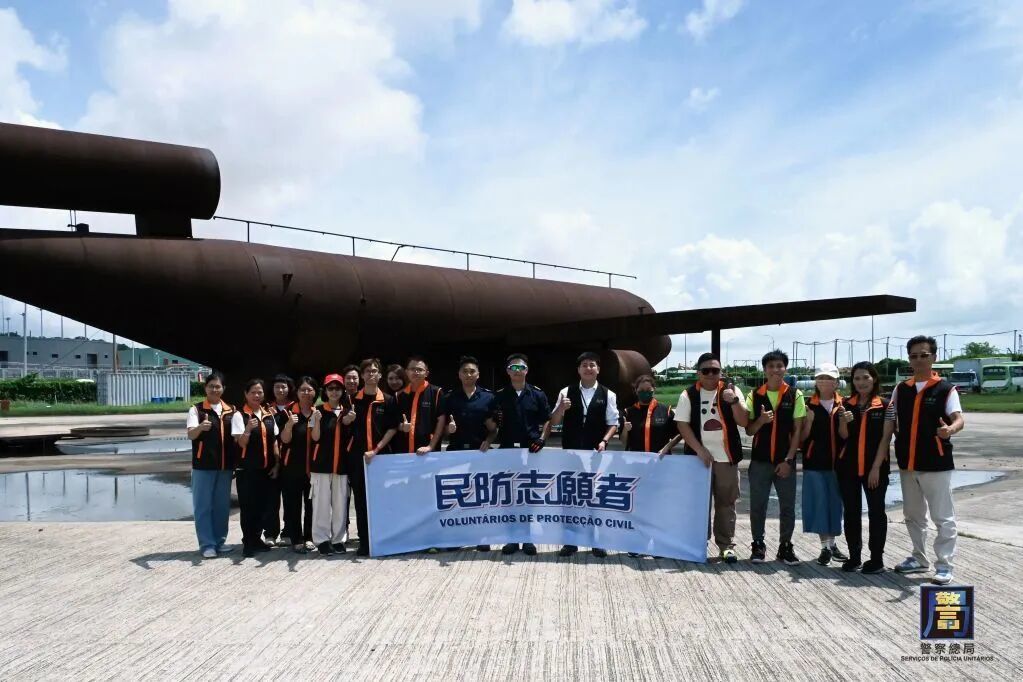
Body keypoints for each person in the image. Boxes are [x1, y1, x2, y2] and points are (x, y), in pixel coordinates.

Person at [886, 335, 965, 585]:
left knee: (943, 516)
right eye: (914, 356)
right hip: (908, 462)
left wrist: (950, 429)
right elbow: (891, 419)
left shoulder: (946, 389)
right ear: (909, 359)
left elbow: (958, 419)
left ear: (934, 357)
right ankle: (919, 558)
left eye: (924, 355)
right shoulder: (901, 389)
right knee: (913, 514)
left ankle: (944, 564)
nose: (919, 360)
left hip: (935, 462)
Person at [675, 353, 748, 563]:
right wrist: (699, 450)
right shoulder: (688, 394)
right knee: (699, 503)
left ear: (721, 372)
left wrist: (734, 401)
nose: (710, 374)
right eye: (705, 370)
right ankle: (699, 542)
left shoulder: (731, 391)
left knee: (727, 503)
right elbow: (682, 424)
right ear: (698, 373)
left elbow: (744, 421)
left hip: (727, 457)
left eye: (715, 370)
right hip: (698, 459)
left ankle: (726, 545)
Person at [549, 351, 619, 558]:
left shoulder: (608, 394)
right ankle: (570, 542)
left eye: (592, 365)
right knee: (570, 497)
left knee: (595, 497)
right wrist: (561, 409)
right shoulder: (566, 391)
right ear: (578, 369)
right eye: (584, 365)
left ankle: (596, 541)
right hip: (570, 453)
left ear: (598, 369)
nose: (588, 368)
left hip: (596, 454)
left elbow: (613, 423)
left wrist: (604, 440)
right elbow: (553, 421)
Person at [745, 349, 804, 565]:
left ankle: (785, 545)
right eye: (771, 366)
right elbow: (750, 430)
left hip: (784, 461)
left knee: (787, 506)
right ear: (764, 370)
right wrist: (761, 420)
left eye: (779, 366)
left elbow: (797, 431)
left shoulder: (795, 394)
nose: (775, 370)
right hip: (760, 461)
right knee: (758, 505)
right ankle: (758, 544)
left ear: (785, 369)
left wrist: (789, 460)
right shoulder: (754, 395)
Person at [836, 361, 891, 573]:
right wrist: (844, 420)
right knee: (851, 512)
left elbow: (886, 438)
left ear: (874, 378)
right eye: (857, 378)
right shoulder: (845, 404)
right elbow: (843, 435)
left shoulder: (885, 405)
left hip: (875, 468)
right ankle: (854, 556)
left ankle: (876, 559)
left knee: (876, 513)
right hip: (848, 467)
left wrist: (876, 468)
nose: (861, 382)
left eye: (865, 377)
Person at [494, 353, 550, 556]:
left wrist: (542, 439)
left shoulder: (537, 394)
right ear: (507, 371)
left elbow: (547, 419)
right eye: (513, 368)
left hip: (531, 451)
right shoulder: (499, 395)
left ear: (527, 370)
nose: (517, 371)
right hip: (507, 451)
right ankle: (512, 539)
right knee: (509, 497)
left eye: (521, 367)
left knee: (528, 496)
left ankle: (527, 539)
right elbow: (491, 422)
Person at [444, 355, 500, 551]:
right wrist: (448, 430)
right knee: (458, 497)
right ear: (459, 374)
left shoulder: (489, 397)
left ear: (478, 374)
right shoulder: (449, 397)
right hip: (456, 452)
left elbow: (494, 429)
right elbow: (442, 428)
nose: (468, 375)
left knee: (481, 497)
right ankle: (457, 538)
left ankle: (482, 537)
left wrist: (489, 441)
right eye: (464, 371)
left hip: (480, 453)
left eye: (472, 371)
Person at [799, 363, 848, 566]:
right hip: (814, 463)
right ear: (815, 382)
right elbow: (801, 438)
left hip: (839, 464)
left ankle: (832, 544)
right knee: (819, 504)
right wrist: (809, 422)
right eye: (820, 378)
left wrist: (844, 421)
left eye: (829, 378)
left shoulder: (845, 404)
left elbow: (846, 436)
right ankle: (825, 547)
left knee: (835, 505)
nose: (824, 381)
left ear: (836, 382)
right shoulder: (807, 404)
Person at [352, 358, 400, 556]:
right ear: (362, 375)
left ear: (380, 375)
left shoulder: (388, 400)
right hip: (358, 457)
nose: (371, 374)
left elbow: (393, 428)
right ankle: (364, 542)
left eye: (374, 371)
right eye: (367, 371)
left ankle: (384, 540)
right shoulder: (353, 399)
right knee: (361, 501)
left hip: (381, 457)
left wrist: (377, 449)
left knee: (383, 500)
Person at [186, 372, 236, 558]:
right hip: (203, 466)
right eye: (211, 386)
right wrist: (200, 427)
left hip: (225, 466)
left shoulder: (231, 410)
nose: (214, 389)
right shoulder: (197, 410)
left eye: (218, 386)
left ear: (223, 389)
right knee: (203, 506)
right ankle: (207, 544)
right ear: (205, 388)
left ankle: (219, 541)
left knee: (222, 506)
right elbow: (191, 434)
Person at [232, 379, 281, 558]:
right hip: (247, 470)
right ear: (246, 394)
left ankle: (257, 538)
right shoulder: (239, 415)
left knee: (263, 506)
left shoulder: (268, 415)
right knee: (248, 507)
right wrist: (247, 429)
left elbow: (274, 441)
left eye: (259, 392)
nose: (257, 395)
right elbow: (240, 443)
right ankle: (248, 541)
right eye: (253, 392)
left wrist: (277, 464)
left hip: (266, 469)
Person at [309, 373, 355, 556]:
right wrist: (317, 420)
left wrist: (349, 422)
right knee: (321, 505)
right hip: (321, 465)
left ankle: (338, 540)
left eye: (337, 388)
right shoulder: (317, 410)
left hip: (342, 465)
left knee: (340, 505)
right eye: (330, 388)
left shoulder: (348, 412)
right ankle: (321, 540)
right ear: (325, 391)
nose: (334, 392)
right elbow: (315, 438)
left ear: (342, 390)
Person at [278, 376, 318, 554]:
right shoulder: (287, 412)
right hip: (292, 467)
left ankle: (309, 537)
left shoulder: (318, 412)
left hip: (313, 467)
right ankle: (296, 539)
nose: (306, 393)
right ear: (297, 392)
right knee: (293, 505)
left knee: (311, 504)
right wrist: (288, 426)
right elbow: (284, 440)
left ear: (315, 392)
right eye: (303, 390)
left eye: (309, 389)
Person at [264, 374, 295, 547]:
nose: (280, 390)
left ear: (289, 389)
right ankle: (270, 533)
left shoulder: (295, 407)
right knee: (271, 499)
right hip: (271, 459)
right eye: (277, 387)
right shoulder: (266, 408)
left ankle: (288, 532)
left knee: (290, 498)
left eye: (283, 387)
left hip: (291, 459)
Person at [395, 356, 446, 455]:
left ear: (426, 373)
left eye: (420, 369)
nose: (416, 372)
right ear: (406, 372)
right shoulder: (399, 395)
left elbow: (441, 421)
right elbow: (392, 422)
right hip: (403, 452)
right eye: (412, 369)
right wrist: (401, 427)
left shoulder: (436, 392)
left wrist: (430, 446)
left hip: (428, 451)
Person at [621, 374, 680, 454]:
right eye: (641, 390)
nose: (645, 392)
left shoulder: (666, 411)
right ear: (636, 390)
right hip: (636, 459)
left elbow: (680, 434)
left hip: (660, 458)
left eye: (648, 389)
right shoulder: (628, 412)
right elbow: (623, 441)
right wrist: (625, 430)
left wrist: (667, 447)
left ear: (654, 390)